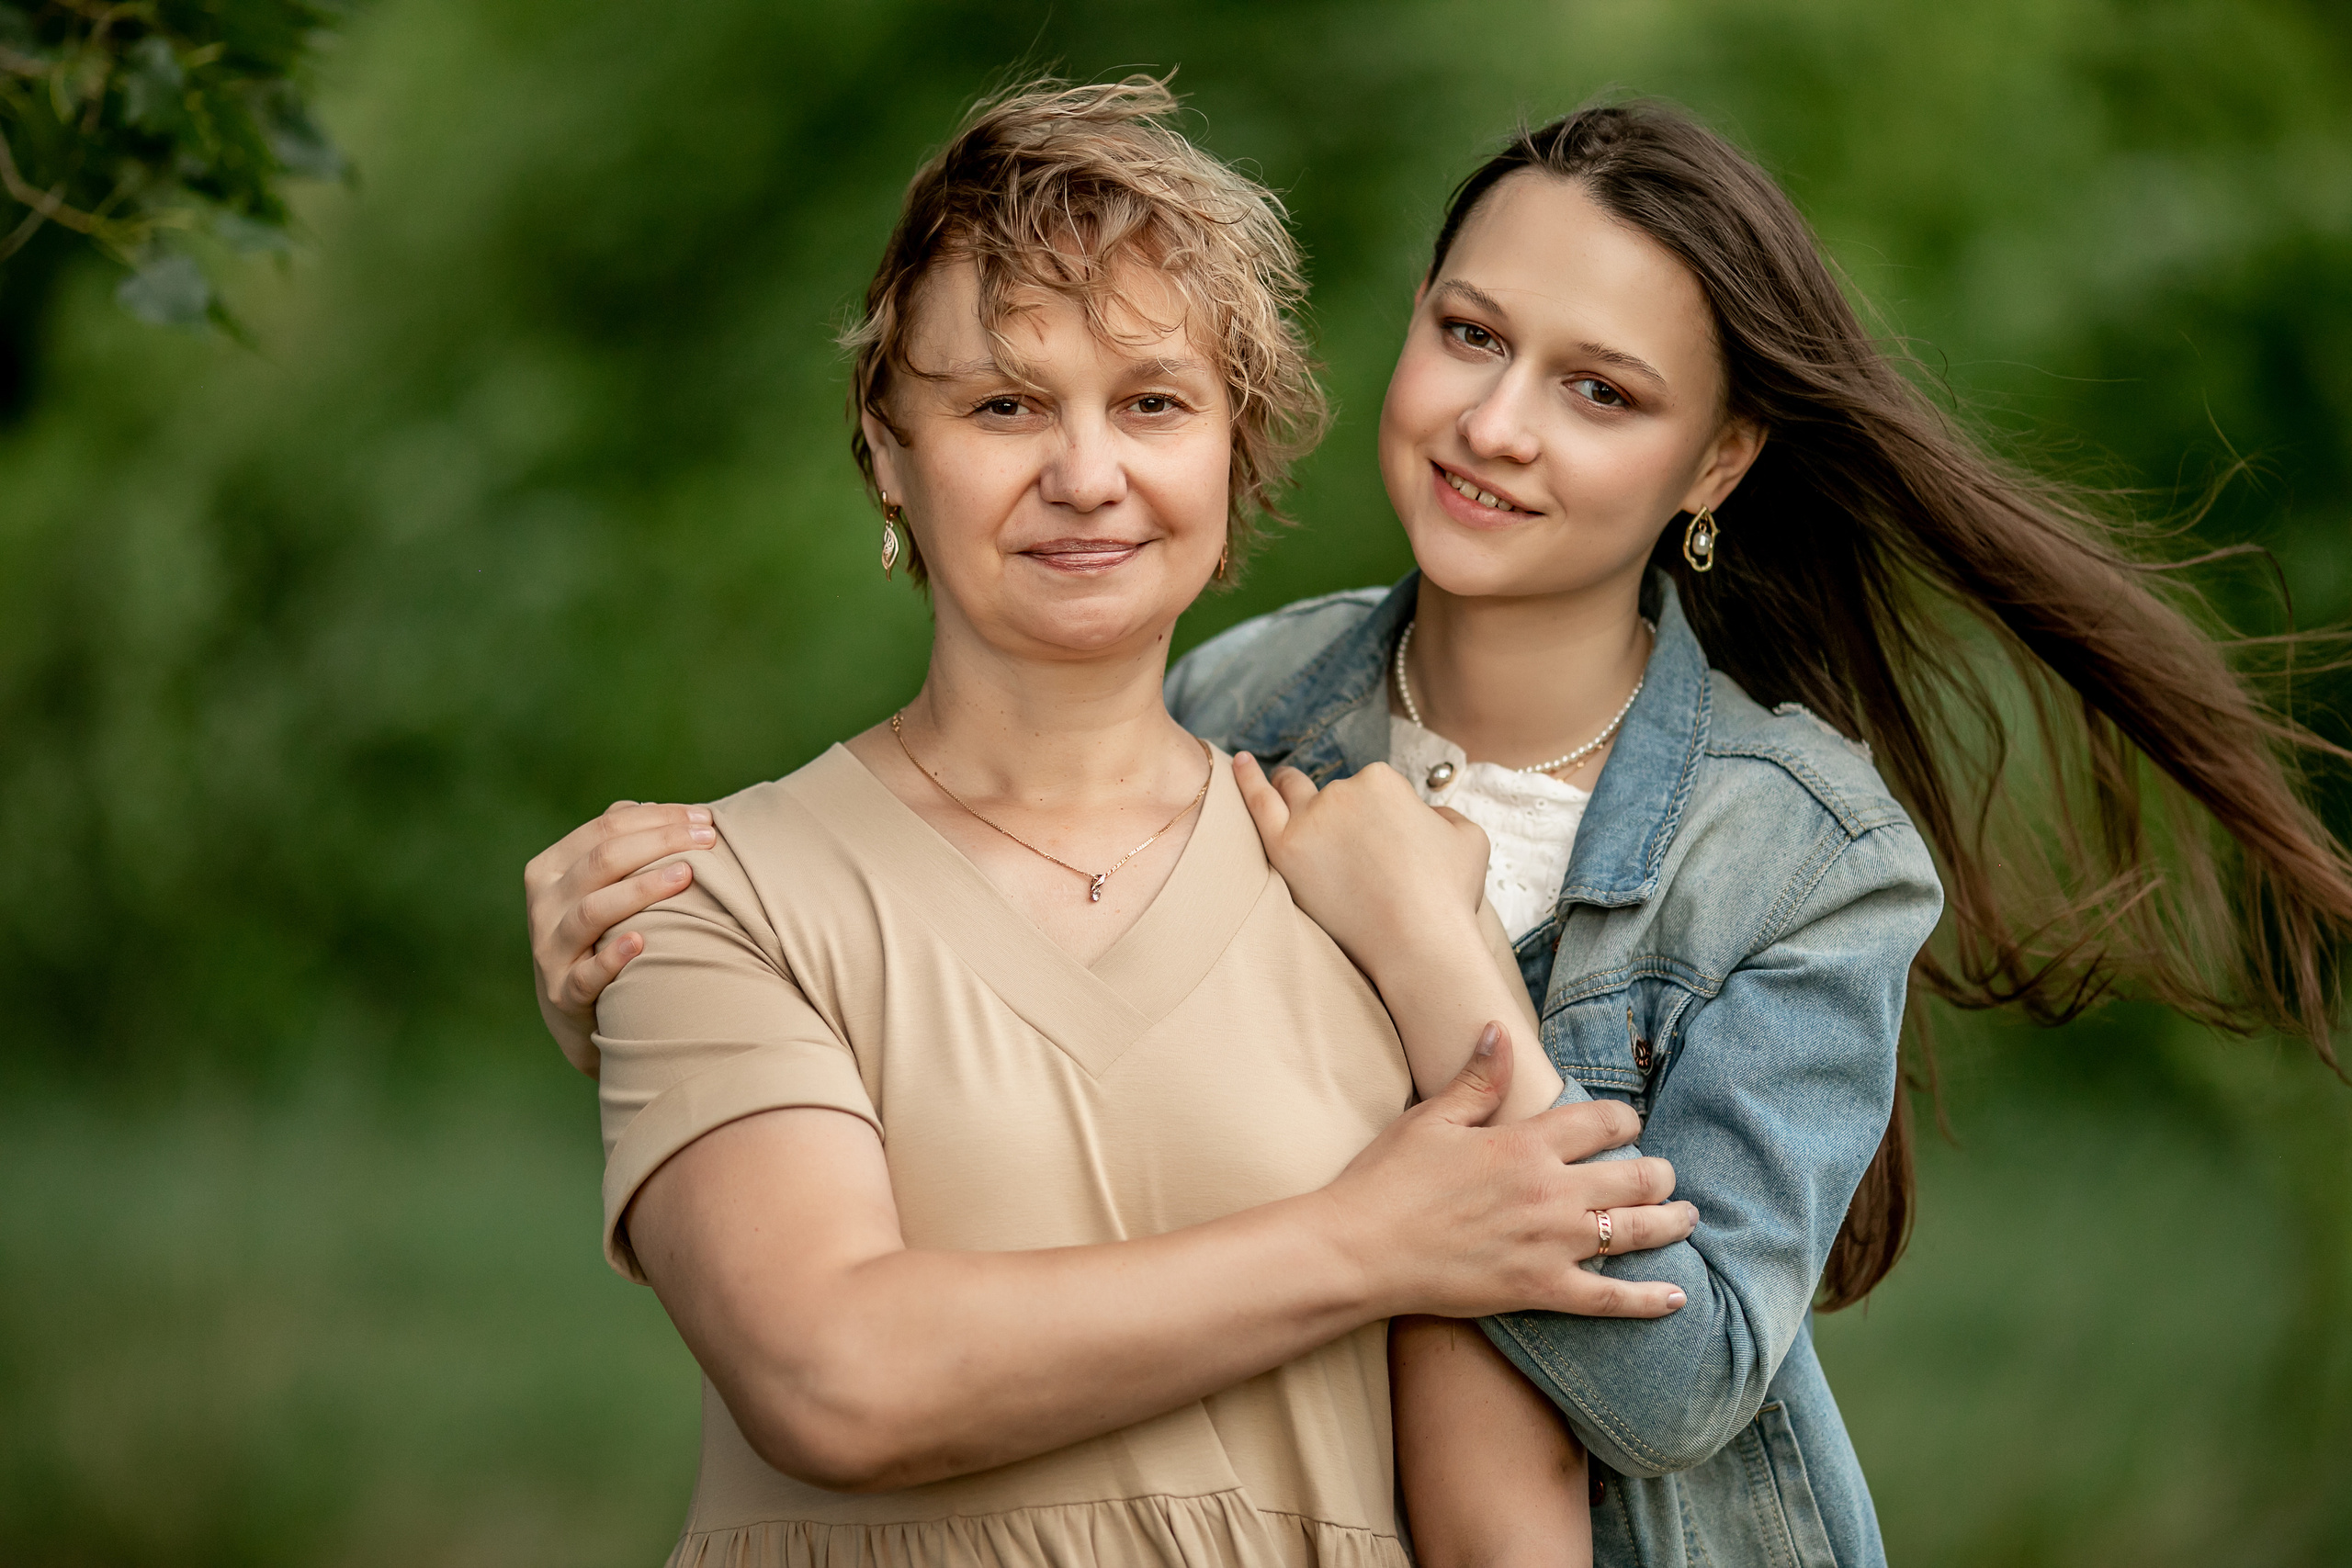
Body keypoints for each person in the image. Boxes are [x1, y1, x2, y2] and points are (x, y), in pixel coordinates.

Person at [531, 96, 2352, 1568]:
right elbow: (1003, 919)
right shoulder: (1249, 699)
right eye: (1468, 334)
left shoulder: (1793, 849)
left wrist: (1429, 947)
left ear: (1712, 463)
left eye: (1598, 389)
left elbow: (1670, 1378)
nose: (1492, 425)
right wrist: (659, 960)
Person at [550, 80, 1700, 1568]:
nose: (1085, 477)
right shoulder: (714, 895)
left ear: (1235, 454)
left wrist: (1439, 989)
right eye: (1003, 406)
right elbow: (833, 1378)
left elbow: (1505, 1516)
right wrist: (1361, 1243)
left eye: (1152, 404)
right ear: (890, 452)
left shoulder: (1369, 899)